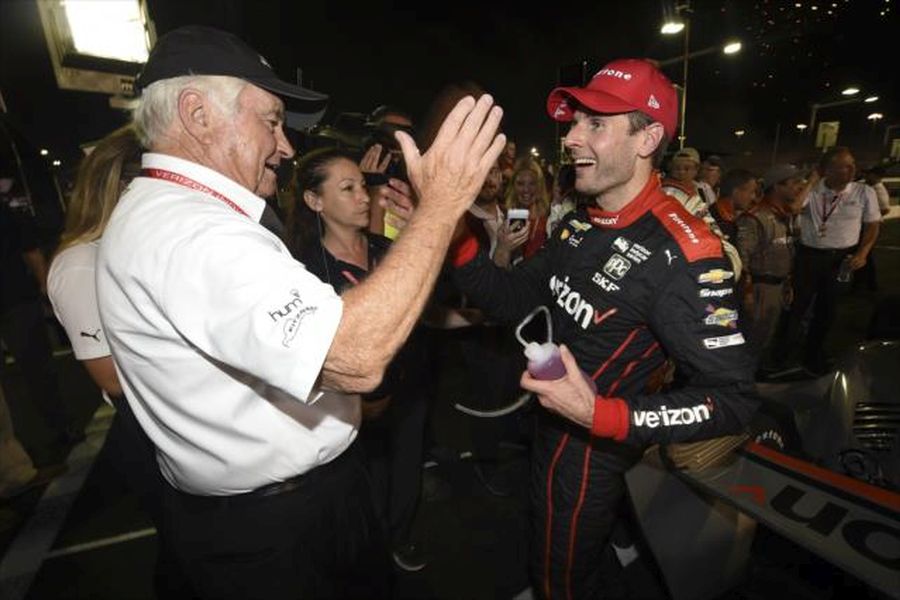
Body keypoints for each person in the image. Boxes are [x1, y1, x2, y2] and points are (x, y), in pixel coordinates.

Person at [94, 25, 504, 600]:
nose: (285, 146)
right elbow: (353, 357)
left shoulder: (174, 214)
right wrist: (441, 205)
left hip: (277, 509)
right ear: (197, 113)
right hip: (277, 533)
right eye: (270, 120)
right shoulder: (192, 231)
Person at [451, 58, 758, 599]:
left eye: (595, 124)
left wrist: (600, 414)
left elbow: (733, 400)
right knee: (550, 556)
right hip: (551, 431)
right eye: (573, 123)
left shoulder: (684, 252)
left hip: (592, 451)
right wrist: (454, 231)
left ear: (648, 140)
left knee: (562, 578)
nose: (570, 138)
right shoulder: (580, 222)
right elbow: (516, 300)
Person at [47, 125, 194, 597]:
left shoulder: (134, 249)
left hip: (175, 419)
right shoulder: (79, 265)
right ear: (124, 186)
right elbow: (110, 377)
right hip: (149, 430)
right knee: (187, 552)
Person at [283, 148, 429, 572]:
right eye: (347, 188)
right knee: (364, 483)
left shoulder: (388, 250)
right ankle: (369, 553)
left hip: (409, 386)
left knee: (406, 472)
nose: (364, 197)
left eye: (363, 186)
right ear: (315, 201)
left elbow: (422, 311)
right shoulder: (307, 272)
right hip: (349, 406)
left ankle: (398, 538)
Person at [775, 146, 881, 375]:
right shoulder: (811, 190)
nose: (852, 169)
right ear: (827, 170)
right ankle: (781, 354)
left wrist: (862, 253)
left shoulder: (864, 192)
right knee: (796, 306)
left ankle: (813, 354)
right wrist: (813, 181)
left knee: (828, 310)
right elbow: (793, 208)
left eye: (852, 164)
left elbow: (872, 225)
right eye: (844, 165)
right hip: (810, 257)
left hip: (841, 259)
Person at [735, 164, 803, 371]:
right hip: (760, 289)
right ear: (777, 187)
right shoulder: (755, 217)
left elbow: (785, 252)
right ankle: (743, 384)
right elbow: (741, 258)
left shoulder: (783, 215)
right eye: (793, 184)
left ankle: (755, 376)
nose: (799, 188)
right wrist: (747, 292)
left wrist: (787, 282)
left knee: (765, 337)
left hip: (777, 287)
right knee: (753, 339)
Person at [504, 158, 550, 262]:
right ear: (513, 186)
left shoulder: (549, 217)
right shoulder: (504, 217)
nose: (526, 190)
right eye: (520, 184)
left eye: (532, 183)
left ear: (539, 186)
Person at [710, 168, 757, 244]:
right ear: (735, 191)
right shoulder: (718, 221)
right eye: (751, 192)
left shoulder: (719, 214)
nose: (753, 197)